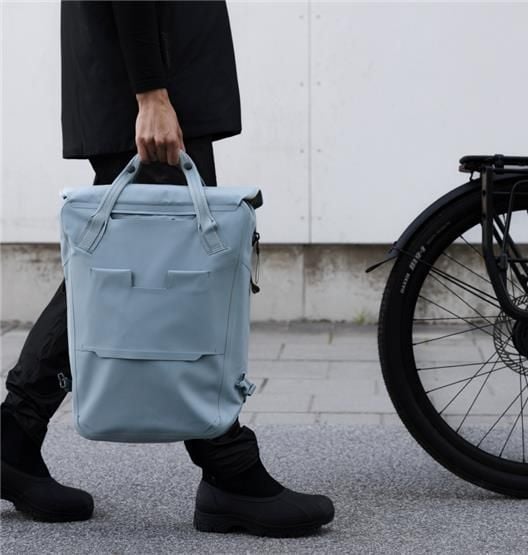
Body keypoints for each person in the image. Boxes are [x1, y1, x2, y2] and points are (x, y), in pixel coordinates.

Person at [0, 1, 334, 537]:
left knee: (121, 269)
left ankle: (14, 436)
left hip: (151, 74)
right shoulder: (152, 96)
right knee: (167, 279)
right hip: (151, 83)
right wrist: (151, 94)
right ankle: (228, 470)